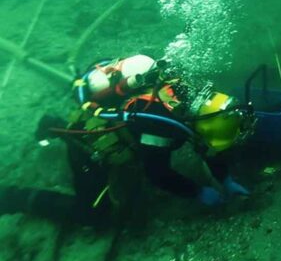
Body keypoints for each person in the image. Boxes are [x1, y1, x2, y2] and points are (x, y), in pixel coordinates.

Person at [20, 54, 255, 226]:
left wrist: (224, 178)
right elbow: (157, 174)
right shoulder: (161, 126)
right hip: (105, 123)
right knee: (94, 213)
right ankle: (14, 194)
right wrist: (196, 191)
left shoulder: (195, 100)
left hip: (125, 100)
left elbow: (204, 144)